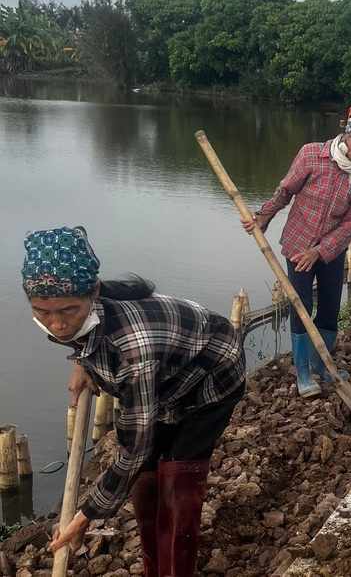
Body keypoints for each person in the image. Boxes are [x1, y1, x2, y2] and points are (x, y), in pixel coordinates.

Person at [24, 226, 245, 577]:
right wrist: (83, 363)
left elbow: (134, 447)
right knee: (145, 479)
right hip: (163, 374)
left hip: (211, 374)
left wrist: (85, 516)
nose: (57, 324)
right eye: (42, 312)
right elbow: (86, 336)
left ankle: (176, 570)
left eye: (68, 311)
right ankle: (153, 567)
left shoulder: (132, 349)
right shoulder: (83, 313)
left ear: (94, 294)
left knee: (179, 478)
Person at [243, 107, 351, 397]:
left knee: (330, 307)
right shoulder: (312, 155)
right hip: (298, 244)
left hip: (332, 250)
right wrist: (264, 216)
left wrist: (320, 251)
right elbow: (285, 191)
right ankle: (303, 372)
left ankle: (322, 365)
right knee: (301, 306)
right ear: (349, 138)